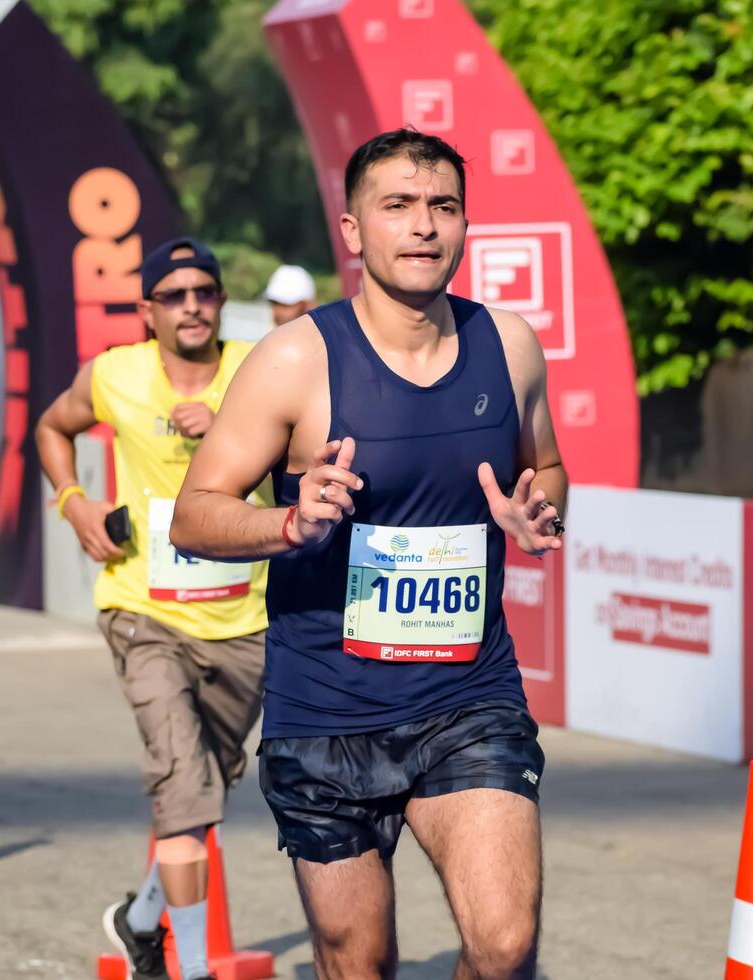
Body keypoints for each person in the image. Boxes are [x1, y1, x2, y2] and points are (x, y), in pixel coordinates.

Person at [170, 129, 568, 980]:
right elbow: (194, 516)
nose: (423, 225)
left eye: (443, 206)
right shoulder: (295, 360)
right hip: (326, 711)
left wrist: (542, 514)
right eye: (397, 206)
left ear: (464, 224)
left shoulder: (511, 345)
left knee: (503, 943)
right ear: (352, 231)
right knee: (359, 960)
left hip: (468, 695)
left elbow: (548, 466)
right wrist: (288, 526)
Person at [35, 237, 270, 980]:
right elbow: (51, 426)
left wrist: (238, 426)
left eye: (204, 291)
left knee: (200, 801)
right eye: (173, 295)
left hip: (246, 618)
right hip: (145, 611)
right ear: (146, 311)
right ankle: (187, 969)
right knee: (184, 789)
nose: (191, 305)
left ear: (222, 300)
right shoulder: (115, 374)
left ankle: (140, 921)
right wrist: (75, 505)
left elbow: (310, 453)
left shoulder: (261, 373)